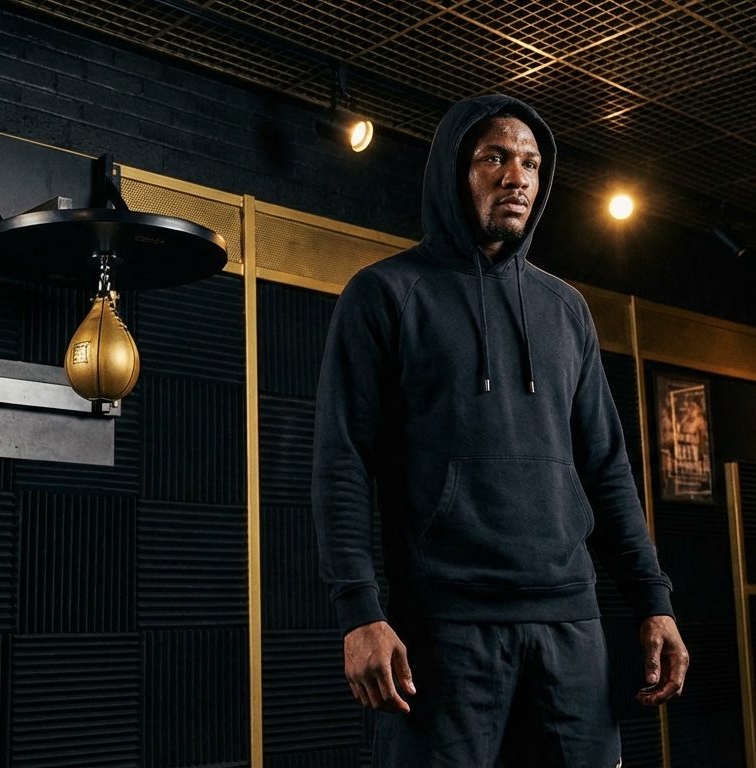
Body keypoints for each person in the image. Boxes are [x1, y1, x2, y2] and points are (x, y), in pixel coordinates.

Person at [312, 94, 688, 767]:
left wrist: (652, 601)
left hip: (571, 624)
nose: (516, 177)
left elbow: (606, 468)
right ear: (455, 171)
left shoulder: (565, 309)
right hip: (444, 625)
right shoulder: (387, 294)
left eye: (531, 164)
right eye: (495, 158)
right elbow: (342, 460)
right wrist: (360, 612)